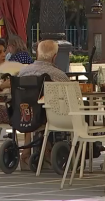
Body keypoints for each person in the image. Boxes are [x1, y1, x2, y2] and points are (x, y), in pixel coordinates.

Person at [18, 40, 69, 169]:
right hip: (47, 116)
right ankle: (48, 150)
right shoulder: (58, 75)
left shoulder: (22, 73)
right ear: (55, 57)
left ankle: (29, 150)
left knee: (32, 107)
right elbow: (69, 97)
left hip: (25, 114)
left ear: (37, 54)